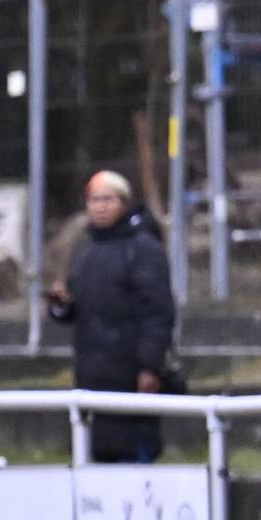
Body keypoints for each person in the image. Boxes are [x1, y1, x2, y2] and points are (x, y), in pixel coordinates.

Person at [46, 172, 175, 465]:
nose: (100, 207)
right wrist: (61, 305)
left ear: (124, 203)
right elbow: (79, 308)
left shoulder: (143, 248)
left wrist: (150, 366)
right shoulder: (86, 248)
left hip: (130, 372)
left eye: (108, 200)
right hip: (92, 371)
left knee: (134, 452)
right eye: (94, 200)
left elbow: (157, 312)